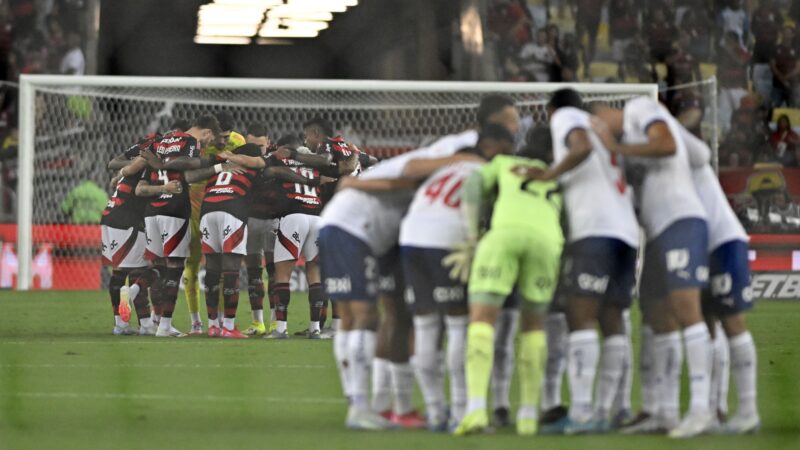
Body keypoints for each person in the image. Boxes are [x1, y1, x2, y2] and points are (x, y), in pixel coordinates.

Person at [318, 94, 520, 430]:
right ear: (492, 125)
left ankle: (386, 406)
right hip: (355, 225)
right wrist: (359, 181)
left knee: (396, 315)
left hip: (395, 233)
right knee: (361, 315)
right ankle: (360, 406)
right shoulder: (469, 146)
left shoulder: (473, 152)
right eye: (512, 120)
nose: (517, 127)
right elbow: (412, 171)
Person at [518, 89, 639, 434]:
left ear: (552, 109)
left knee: (580, 316)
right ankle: (608, 410)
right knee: (613, 319)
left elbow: (580, 147)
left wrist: (549, 174)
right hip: (626, 232)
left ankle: (583, 414)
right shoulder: (602, 128)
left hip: (594, 229)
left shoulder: (567, 118)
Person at [592, 97, 713, 438]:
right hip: (659, 231)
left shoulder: (639, 108)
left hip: (681, 219)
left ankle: (701, 410)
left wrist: (616, 146)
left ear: (606, 112)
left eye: (599, 120)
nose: (597, 127)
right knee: (657, 316)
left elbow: (667, 143)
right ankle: (665, 412)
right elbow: (696, 152)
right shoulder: (631, 143)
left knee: (687, 310)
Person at [399, 124, 515, 431]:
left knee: (424, 325)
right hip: (447, 241)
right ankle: (463, 412)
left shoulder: (445, 169)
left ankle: (436, 411)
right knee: (458, 324)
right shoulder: (486, 170)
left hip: (411, 238)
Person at [453, 123, 562, 437]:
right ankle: (528, 416)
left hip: (503, 236)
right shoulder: (558, 173)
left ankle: (475, 410)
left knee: (482, 322)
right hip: (547, 240)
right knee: (534, 326)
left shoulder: (503, 163)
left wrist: (472, 236)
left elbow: (472, 185)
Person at [681, 127, 760, 435]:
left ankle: (747, 410)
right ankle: (714, 408)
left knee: (731, 322)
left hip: (723, 242)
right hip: (703, 246)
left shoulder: (691, 164)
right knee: (709, 325)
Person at [222, 140, 337, 339]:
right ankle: (315, 329)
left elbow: (260, 166)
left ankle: (280, 328)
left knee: (282, 275)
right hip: (317, 218)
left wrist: (231, 158)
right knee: (315, 276)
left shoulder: (280, 160)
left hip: (293, 217)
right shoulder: (315, 165)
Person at [136, 114, 221, 337]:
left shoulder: (160, 143)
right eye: (208, 140)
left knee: (158, 266)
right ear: (207, 132)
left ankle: (135, 287)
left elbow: (143, 176)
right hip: (174, 209)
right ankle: (164, 326)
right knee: (175, 268)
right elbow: (190, 165)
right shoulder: (189, 142)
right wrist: (215, 162)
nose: (206, 144)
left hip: (152, 209)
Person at [183, 111, 246, 335]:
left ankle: (219, 322)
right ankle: (196, 322)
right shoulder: (199, 143)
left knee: (221, 267)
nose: (221, 142)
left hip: (219, 204)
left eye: (226, 138)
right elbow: (188, 173)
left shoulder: (239, 142)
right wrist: (217, 166)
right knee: (192, 264)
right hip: (193, 206)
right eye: (219, 137)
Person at [101, 133, 161, 335]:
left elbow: (116, 170)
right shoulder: (148, 160)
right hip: (127, 219)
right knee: (153, 269)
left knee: (119, 273)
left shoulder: (132, 164)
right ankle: (138, 317)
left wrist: (121, 174)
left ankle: (127, 325)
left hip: (110, 215)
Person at [770, 26, 800, 108]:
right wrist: (782, 79)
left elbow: (798, 68)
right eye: (785, 32)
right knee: (773, 110)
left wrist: (786, 78)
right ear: (782, 34)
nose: (786, 35)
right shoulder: (775, 48)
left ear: (792, 35)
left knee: (795, 110)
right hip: (777, 86)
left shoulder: (797, 49)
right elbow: (772, 66)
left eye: (789, 33)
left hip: (793, 85)